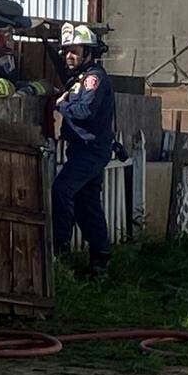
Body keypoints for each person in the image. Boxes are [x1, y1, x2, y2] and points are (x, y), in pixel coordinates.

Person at [52, 23, 114, 275]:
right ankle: (100, 261)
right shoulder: (79, 78)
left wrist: (61, 106)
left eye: (75, 51)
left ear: (88, 52)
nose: (69, 55)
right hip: (83, 150)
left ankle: (60, 249)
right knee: (87, 204)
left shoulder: (93, 78)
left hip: (90, 150)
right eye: (66, 51)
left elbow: (85, 111)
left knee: (61, 189)